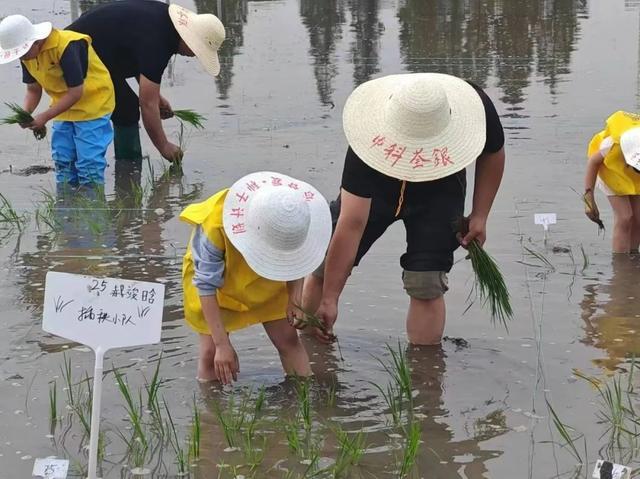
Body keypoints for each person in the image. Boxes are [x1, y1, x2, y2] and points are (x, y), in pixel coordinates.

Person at [302, 73, 506, 346]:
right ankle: (308, 349)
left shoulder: (475, 104)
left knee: (427, 283)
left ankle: (425, 376)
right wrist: (330, 298)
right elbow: (351, 224)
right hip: (377, 184)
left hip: (440, 190)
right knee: (325, 265)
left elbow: (493, 151)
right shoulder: (365, 148)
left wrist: (480, 214)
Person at [181, 172, 332, 384]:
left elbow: (296, 260)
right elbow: (205, 286)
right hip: (218, 285)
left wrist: (294, 300)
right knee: (211, 353)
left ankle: (303, 403)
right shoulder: (214, 226)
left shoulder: (296, 215)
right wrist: (223, 344)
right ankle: (211, 413)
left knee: (288, 340)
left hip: (268, 280)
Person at [68, 1, 225, 162]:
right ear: (189, 39)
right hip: (74, 54)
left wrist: (158, 98)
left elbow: (137, 56)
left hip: (94, 49)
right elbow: (147, 104)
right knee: (126, 109)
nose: (195, 55)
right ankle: (128, 168)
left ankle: (127, 170)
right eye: (198, 50)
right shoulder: (160, 42)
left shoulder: (164, 22)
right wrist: (164, 146)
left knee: (126, 105)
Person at [0, 15, 114, 187]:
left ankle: (93, 209)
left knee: (88, 163)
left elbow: (76, 92)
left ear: (35, 42)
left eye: (23, 53)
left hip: (93, 105)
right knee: (63, 161)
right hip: (63, 107)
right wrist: (26, 114)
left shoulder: (67, 46)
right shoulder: (27, 56)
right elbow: (33, 89)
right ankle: (66, 208)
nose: (22, 58)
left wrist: (44, 117)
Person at [584, 111, 640, 253]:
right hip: (610, 171)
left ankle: (633, 257)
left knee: (638, 217)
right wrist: (589, 200)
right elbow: (593, 163)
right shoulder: (612, 145)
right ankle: (621, 264)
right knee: (625, 217)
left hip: (633, 176)